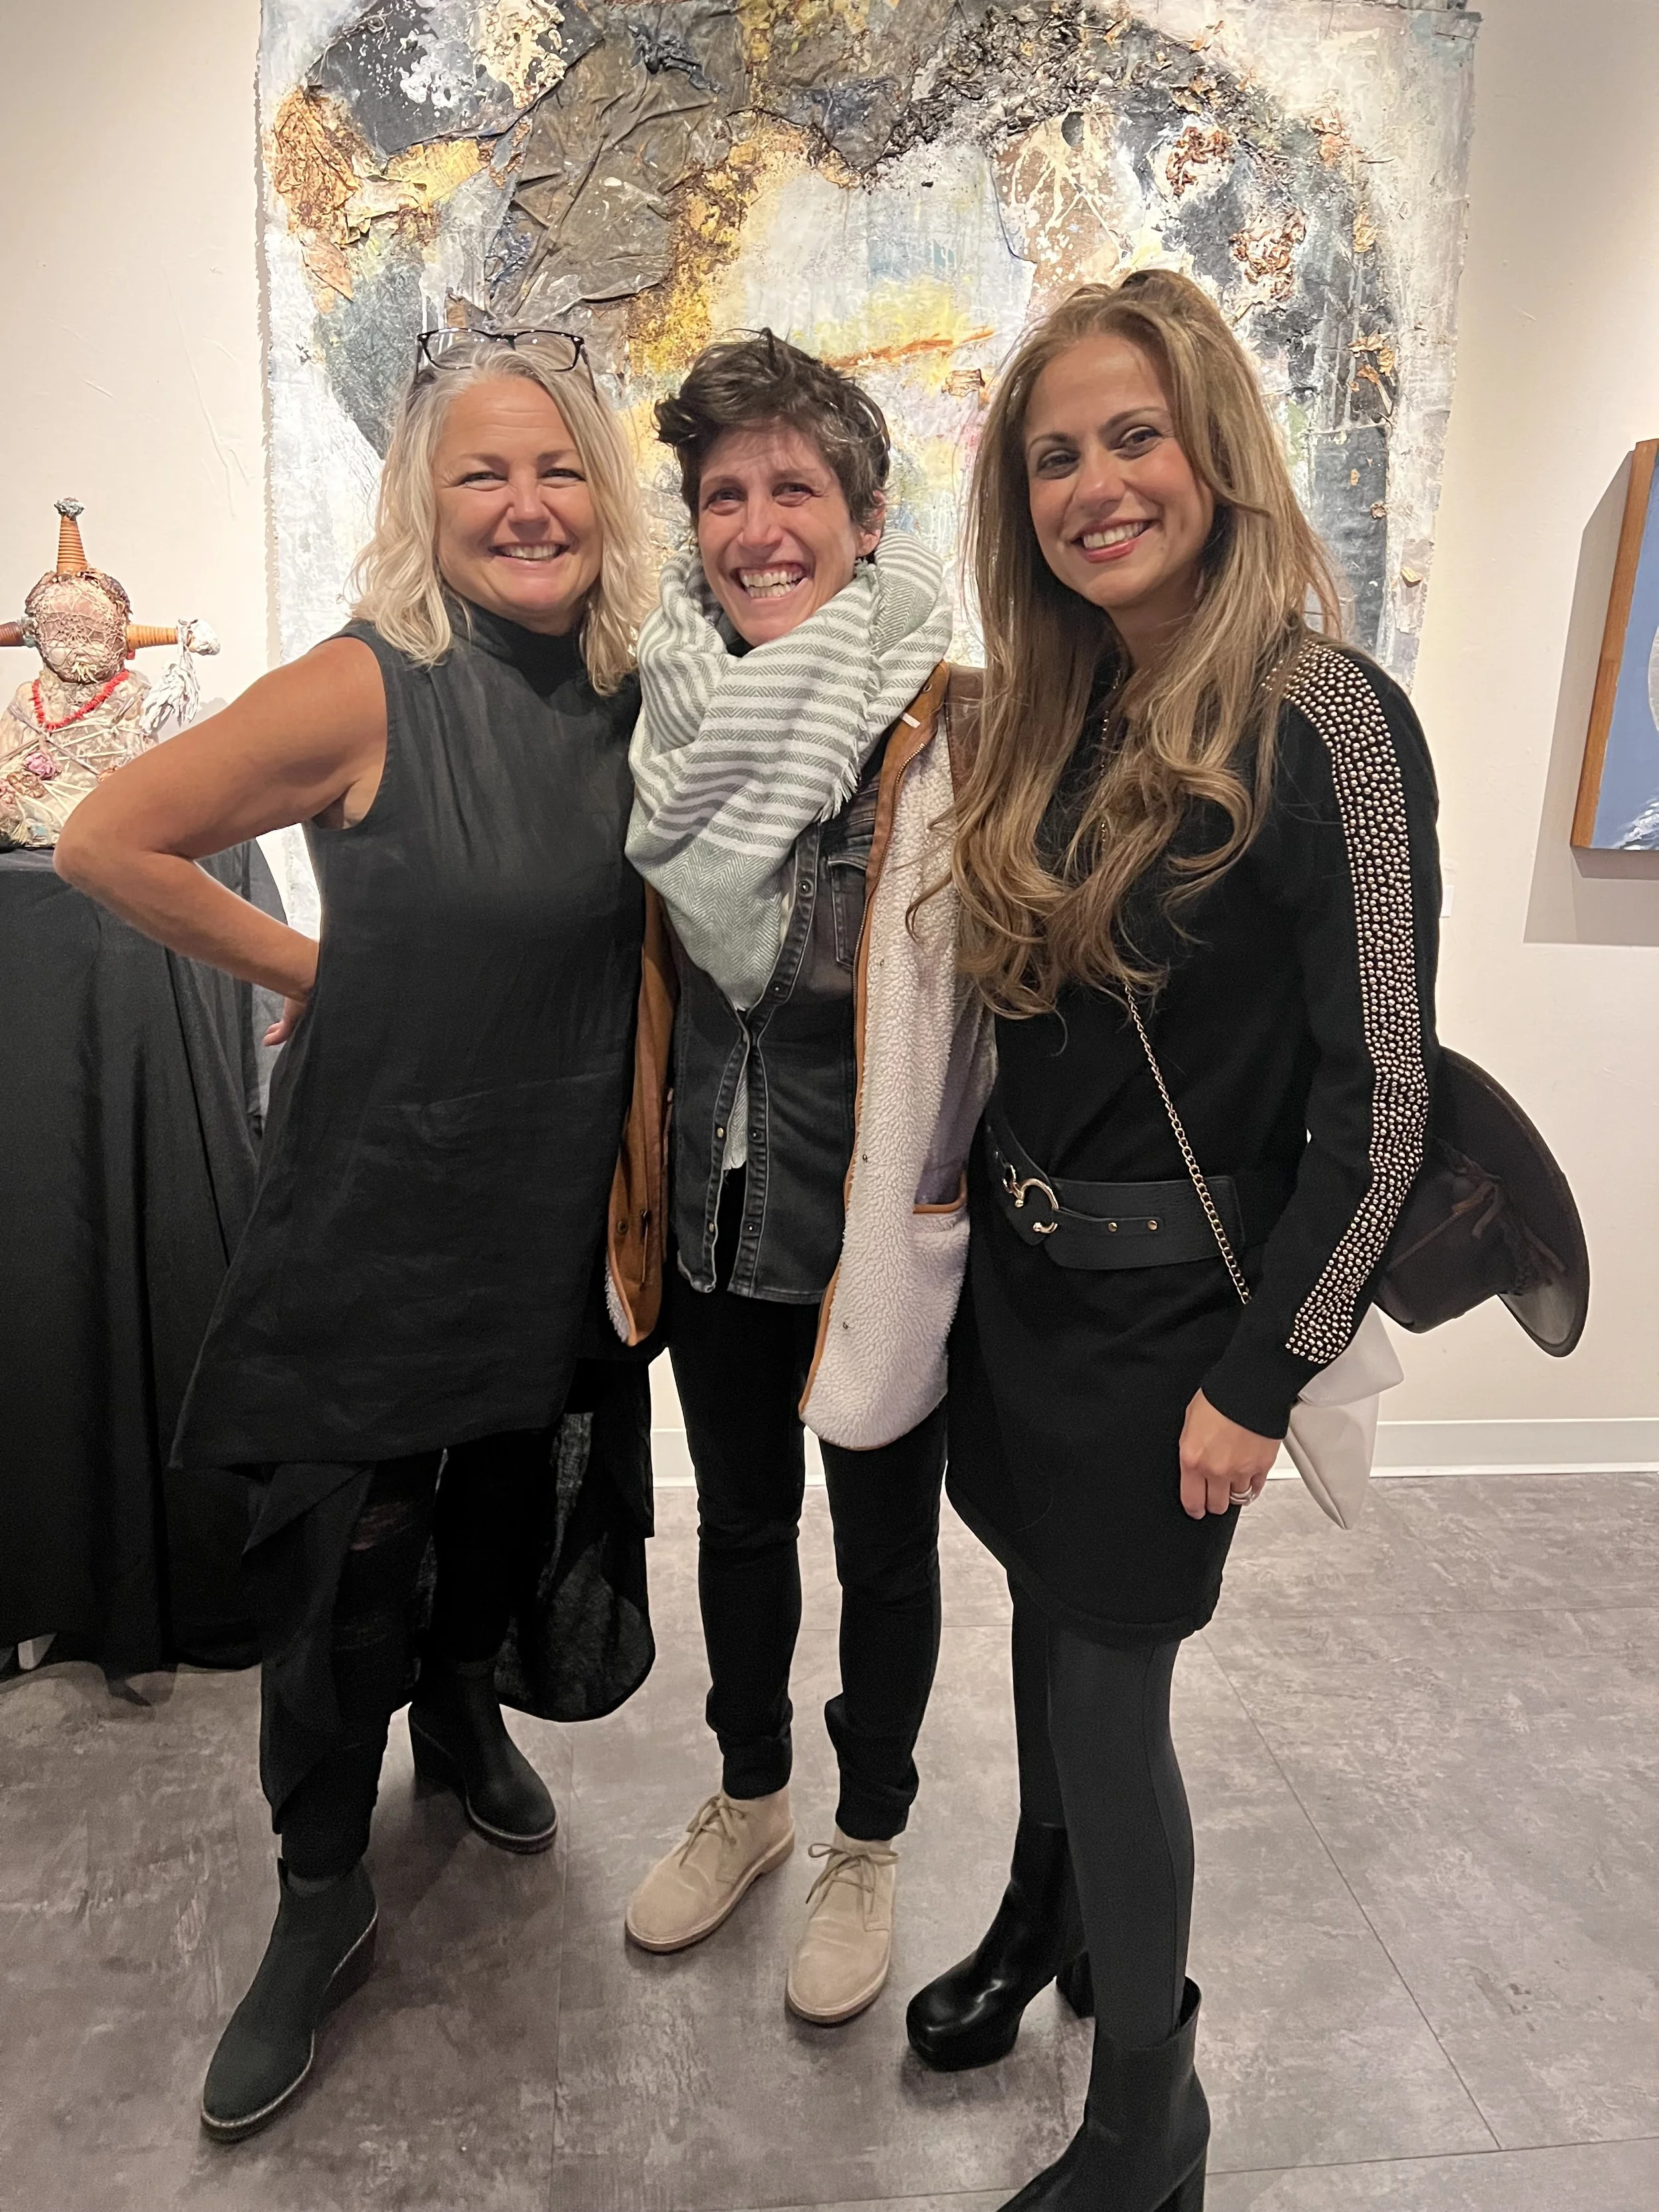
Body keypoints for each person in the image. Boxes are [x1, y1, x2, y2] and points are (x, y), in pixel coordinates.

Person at [55, 329, 668, 2141]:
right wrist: (316, 967)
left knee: (503, 1494)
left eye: (555, 469)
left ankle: (464, 1714)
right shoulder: (365, 685)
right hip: (379, 1212)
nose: (523, 503)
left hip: (554, 1199)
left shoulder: (640, 687)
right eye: (480, 473)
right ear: (424, 501)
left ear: (601, 497)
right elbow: (110, 838)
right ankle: (322, 1888)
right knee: (340, 1555)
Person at [904, 270, 1442, 2211]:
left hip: (1176, 1334)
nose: (1092, 483)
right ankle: (1044, 1924)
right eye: (1052, 453)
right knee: (1051, 1645)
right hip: (1025, 1309)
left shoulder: (1333, 720)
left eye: (1130, 435)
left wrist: (1261, 1369)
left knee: (1109, 1699)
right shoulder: (1047, 709)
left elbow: (1383, 1100)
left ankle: (1150, 2115)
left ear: (1211, 443)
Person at [623, 332, 990, 2026]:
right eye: (724, 494)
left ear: (864, 515)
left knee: (885, 1551)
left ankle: (867, 1835)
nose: (758, 527)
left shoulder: (947, 714)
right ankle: (755, 1797)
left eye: (794, 491)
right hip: (712, 1207)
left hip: (875, 1234)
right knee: (743, 1532)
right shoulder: (661, 716)